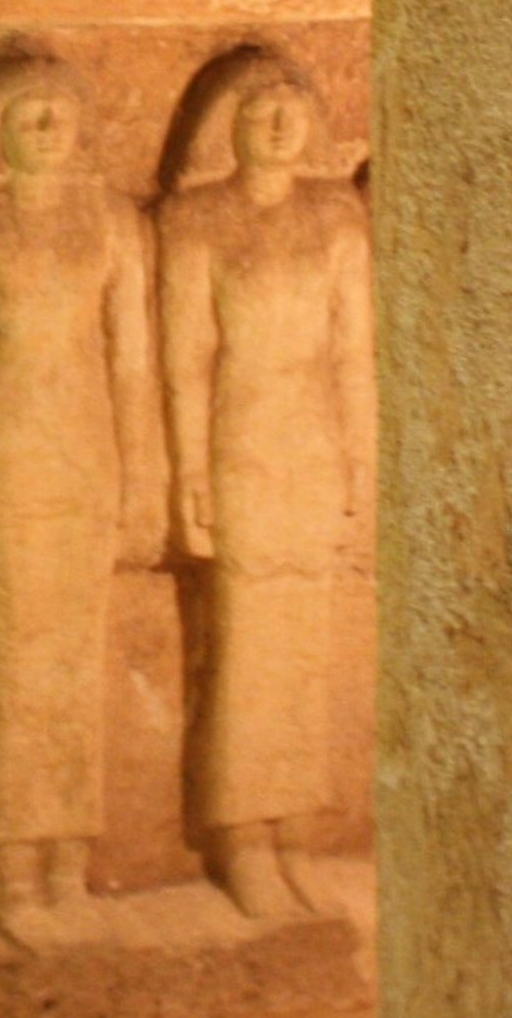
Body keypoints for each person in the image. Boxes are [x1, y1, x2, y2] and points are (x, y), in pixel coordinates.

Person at [0, 50, 158, 939]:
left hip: (86, 447)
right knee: (11, 654)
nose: (52, 132)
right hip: (8, 446)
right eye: (31, 117)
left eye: (63, 114)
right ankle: (8, 858)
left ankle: (67, 849)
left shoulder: (111, 220)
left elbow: (131, 359)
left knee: (75, 660)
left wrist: (140, 479)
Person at [156, 49, 372, 923]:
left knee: (304, 646)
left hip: (315, 441)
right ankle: (241, 836)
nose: (279, 125)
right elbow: (184, 361)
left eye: (291, 107)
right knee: (246, 646)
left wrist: (364, 465)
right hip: (242, 438)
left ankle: (290, 832)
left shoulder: (336, 218)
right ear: (227, 130)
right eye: (258, 112)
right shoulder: (198, 220)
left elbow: (356, 355)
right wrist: (191, 476)